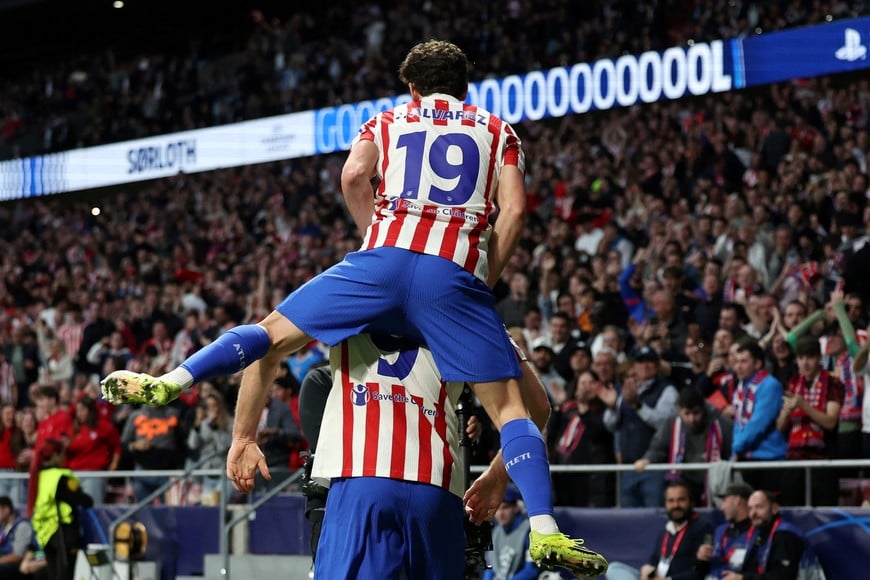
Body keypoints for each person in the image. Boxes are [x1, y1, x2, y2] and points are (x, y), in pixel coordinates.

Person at [101, 39, 606, 575]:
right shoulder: (499, 131)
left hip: (355, 468)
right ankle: (544, 527)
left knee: (268, 331)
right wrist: (478, 280)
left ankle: (174, 379)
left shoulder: (387, 121)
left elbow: (351, 177)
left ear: (411, 87)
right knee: (510, 413)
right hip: (440, 445)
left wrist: (375, 242)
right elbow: (516, 212)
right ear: (465, 87)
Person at [301, 333, 548, 578]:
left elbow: (279, 336)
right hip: (437, 484)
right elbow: (538, 406)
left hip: (363, 480)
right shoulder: (473, 315)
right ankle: (544, 525)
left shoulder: (351, 312)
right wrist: (498, 475)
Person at [602, 345, 679, 507]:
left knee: (654, 515)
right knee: (628, 518)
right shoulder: (626, 390)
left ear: (657, 365)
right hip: (627, 468)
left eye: (650, 361)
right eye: (640, 362)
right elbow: (611, 425)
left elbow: (664, 424)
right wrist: (612, 407)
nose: (645, 366)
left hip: (654, 467)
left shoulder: (667, 390)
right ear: (634, 366)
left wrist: (638, 405)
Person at [634, 387, 732, 506]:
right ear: (679, 410)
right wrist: (647, 459)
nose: (692, 419)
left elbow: (732, 452)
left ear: (703, 409)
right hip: (684, 482)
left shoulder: (721, 424)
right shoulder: (671, 424)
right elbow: (658, 448)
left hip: (714, 484)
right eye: (687, 413)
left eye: (696, 413)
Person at [776, 335, 843, 506]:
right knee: (792, 511)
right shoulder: (792, 384)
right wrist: (786, 412)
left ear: (819, 358)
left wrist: (803, 405)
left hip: (823, 460)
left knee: (823, 514)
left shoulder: (833, 383)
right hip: (794, 460)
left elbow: (830, 422)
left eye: (810, 357)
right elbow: (780, 427)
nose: (805, 363)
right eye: (801, 358)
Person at [606, 479, 713, 580]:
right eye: (671, 501)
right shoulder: (665, 531)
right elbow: (654, 561)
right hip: (656, 577)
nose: (676, 505)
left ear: (691, 502)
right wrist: (647, 569)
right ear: (665, 504)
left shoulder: (702, 528)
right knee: (613, 568)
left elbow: (700, 571)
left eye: (681, 500)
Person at [25, 438, 93, 580]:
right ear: (56, 455)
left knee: (52, 574)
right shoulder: (61, 477)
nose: (64, 457)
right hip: (63, 532)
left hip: (44, 534)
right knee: (65, 575)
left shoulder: (38, 476)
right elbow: (84, 501)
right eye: (63, 454)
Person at [730, 341, 786, 494]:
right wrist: (735, 452)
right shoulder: (740, 389)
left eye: (744, 361)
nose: (738, 367)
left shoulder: (770, 385)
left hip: (768, 458)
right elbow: (738, 423)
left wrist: (737, 447)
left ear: (757, 364)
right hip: (745, 457)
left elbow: (758, 423)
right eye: (736, 362)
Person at [723, 490, 804, 580]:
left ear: (774, 508)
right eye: (750, 508)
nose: (753, 513)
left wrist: (742, 578)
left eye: (759, 507)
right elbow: (751, 566)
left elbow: (782, 577)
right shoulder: (761, 532)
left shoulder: (785, 535)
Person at [696, 481, 757, 579]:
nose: (721, 507)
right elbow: (701, 571)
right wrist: (701, 559)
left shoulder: (758, 533)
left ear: (737, 500)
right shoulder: (719, 531)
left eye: (724, 500)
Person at [484, 485, 543, 580]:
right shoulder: (496, 532)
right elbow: (490, 568)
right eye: (497, 508)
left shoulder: (529, 531)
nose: (500, 513)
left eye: (505, 507)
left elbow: (531, 570)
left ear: (517, 507)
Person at [0, 495, 32, 579]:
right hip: (4, 562)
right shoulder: (3, 526)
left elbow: (17, 556)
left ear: (6, 510)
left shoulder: (22, 526)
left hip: (18, 565)